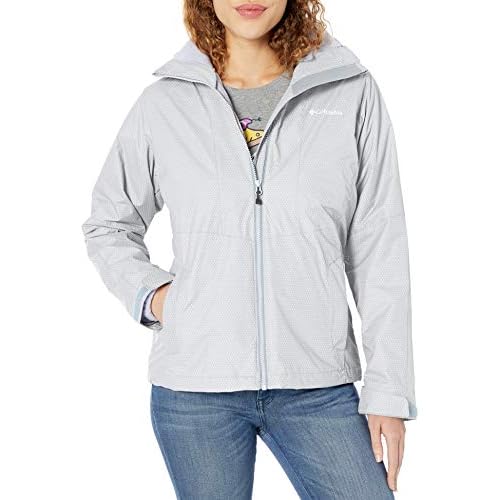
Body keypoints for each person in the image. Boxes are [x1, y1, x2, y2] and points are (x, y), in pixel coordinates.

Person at [81, 0, 417, 498]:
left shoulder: (350, 92)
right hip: (195, 390)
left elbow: (379, 246)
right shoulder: (164, 104)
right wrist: (157, 298)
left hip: (317, 385)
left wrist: (389, 390)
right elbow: (108, 224)